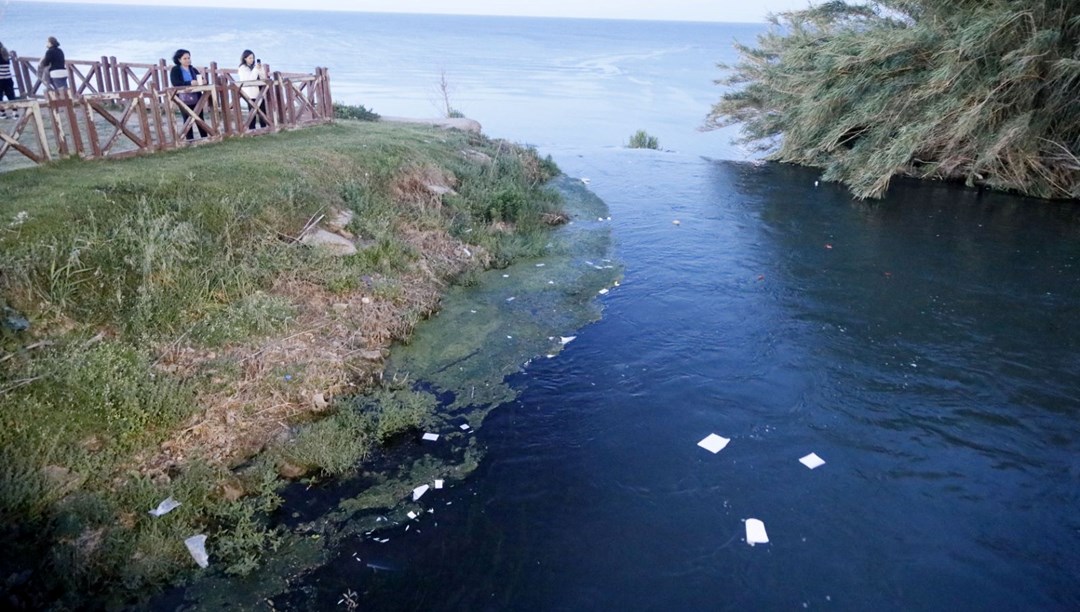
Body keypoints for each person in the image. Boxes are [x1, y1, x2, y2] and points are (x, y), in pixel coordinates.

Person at [169, 48, 208, 140]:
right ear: (179, 60)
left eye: (189, 58)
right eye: (185, 58)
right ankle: (189, 139)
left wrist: (204, 81)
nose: (188, 60)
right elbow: (176, 83)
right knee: (187, 119)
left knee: (200, 118)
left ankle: (205, 137)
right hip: (183, 99)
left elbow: (201, 79)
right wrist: (189, 83)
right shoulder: (175, 70)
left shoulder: (193, 69)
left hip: (197, 97)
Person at [237, 49, 268, 129]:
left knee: (263, 111)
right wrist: (256, 69)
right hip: (250, 94)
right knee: (252, 113)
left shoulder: (254, 67)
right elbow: (250, 79)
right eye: (250, 58)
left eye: (253, 58)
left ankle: (264, 128)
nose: (252, 60)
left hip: (259, 92)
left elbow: (263, 78)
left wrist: (260, 69)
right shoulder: (242, 68)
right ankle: (252, 129)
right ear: (245, 58)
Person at [0, 41, 16, 119]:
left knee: (0, 97)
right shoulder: (5, 54)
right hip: (8, 78)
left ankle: (2, 113)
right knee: (11, 96)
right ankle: (15, 113)